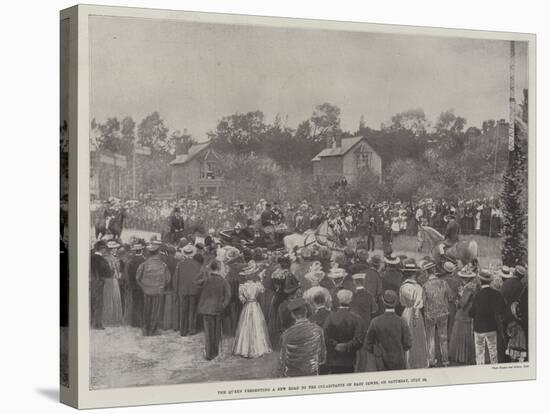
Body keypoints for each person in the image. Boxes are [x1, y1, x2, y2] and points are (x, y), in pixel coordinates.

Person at [364, 290, 412, 371]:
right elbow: (408, 344)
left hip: (381, 363)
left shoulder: (375, 322)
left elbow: (367, 345)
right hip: (399, 362)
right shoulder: (402, 321)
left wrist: (377, 352)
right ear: (396, 302)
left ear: (383, 302)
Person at [279, 298, 327, 377]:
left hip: (292, 374)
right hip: (312, 373)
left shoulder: (286, 334)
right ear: (306, 311)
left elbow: (282, 359)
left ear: (292, 315)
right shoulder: (318, 330)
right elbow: (322, 358)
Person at [232, 263, 272, 358]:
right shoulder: (257, 285)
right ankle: (258, 348)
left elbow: (241, 299)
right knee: (256, 324)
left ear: (246, 277)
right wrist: (261, 279)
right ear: (253, 275)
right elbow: (262, 291)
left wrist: (246, 298)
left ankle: (245, 348)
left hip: (247, 306)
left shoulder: (242, 286)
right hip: (255, 305)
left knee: (246, 325)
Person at [323, 289, 365, 374]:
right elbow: (359, 340)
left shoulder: (330, 318)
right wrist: (347, 346)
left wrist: (335, 345)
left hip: (334, 360)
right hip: (350, 360)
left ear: (338, 300)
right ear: (351, 300)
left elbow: (325, 337)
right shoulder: (357, 319)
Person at [469, 269, 506, 365]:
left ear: (480, 281)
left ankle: (480, 370)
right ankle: (494, 370)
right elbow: (502, 309)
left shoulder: (477, 294)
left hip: (479, 328)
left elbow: (472, 313)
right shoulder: (497, 294)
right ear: (490, 281)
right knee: (493, 350)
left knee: (479, 351)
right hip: (491, 327)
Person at [197, 260, 232, 360]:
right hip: (218, 308)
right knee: (217, 332)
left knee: (208, 332)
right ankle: (215, 352)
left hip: (206, 309)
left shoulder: (206, 279)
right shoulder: (223, 280)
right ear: (219, 269)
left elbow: (196, 283)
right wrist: (223, 305)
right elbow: (228, 295)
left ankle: (209, 354)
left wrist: (204, 271)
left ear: (211, 268)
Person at [136, 242, 171, 336]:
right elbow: (168, 279)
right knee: (156, 310)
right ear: (158, 252)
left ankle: (146, 329)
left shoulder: (143, 264)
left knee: (146, 309)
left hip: (146, 290)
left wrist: (143, 286)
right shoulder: (163, 265)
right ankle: (153, 330)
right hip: (158, 290)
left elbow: (137, 277)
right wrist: (162, 285)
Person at [399, 259, 429, 369]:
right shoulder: (418, 287)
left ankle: (408, 362)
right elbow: (421, 303)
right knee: (417, 338)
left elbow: (402, 302)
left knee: (407, 336)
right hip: (416, 313)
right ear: (414, 274)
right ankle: (419, 362)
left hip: (406, 312)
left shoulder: (403, 286)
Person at [422, 259, 452, 367]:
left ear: (426, 272)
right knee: (443, 337)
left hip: (430, 314)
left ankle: (431, 361)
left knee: (430, 338)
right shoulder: (444, 283)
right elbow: (450, 297)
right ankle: (445, 360)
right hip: (443, 313)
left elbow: (423, 302)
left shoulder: (425, 286)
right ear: (434, 270)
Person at [449, 266, 478, 365]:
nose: (462, 279)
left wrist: (456, 299)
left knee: (462, 333)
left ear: (467, 278)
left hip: (465, 314)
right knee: (463, 334)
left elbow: (462, 303)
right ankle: (462, 356)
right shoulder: (469, 287)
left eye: (463, 278)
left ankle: (462, 357)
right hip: (466, 313)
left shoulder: (469, 288)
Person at [173, 245, 203, 336]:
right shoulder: (198, 265)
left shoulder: (180, 264)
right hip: (194, 290)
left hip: (182, 290)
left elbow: (175, 278)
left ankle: (183, 330)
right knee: (192, 310)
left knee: (183, 310)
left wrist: (176, 290)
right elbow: (200, 278)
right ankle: (191, 329)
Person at [90, 240, 113, 329]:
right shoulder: (102, 260)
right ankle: (97, 324)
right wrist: (112, 271)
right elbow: (108, 273)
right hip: (98, 282)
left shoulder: (90, 257)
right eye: (105, 249)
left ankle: (90, 322)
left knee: (91, 302)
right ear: (102, 249)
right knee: (99, 303)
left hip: (90, 282)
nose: (105, 251)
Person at [102, 240, 123, 326]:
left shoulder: (112, 257)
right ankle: (112, 319)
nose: (116, 249)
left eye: (116, 248)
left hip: (113, 280)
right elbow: (112, 270)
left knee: (113, 298)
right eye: (115, 248)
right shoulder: (108, 258)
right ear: (112, 249)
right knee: (112, 298)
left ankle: (114, 319)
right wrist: (118, 275)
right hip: (112, 280)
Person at [125, 242, 146, 328]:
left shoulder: (131, 261)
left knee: (135, 303)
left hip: (133, 285)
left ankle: (134, 322)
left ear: (135, 251)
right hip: (142, 285)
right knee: (142, 303)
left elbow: (128, 274)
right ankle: (141, 322)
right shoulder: (144, 261)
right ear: (141, 250)